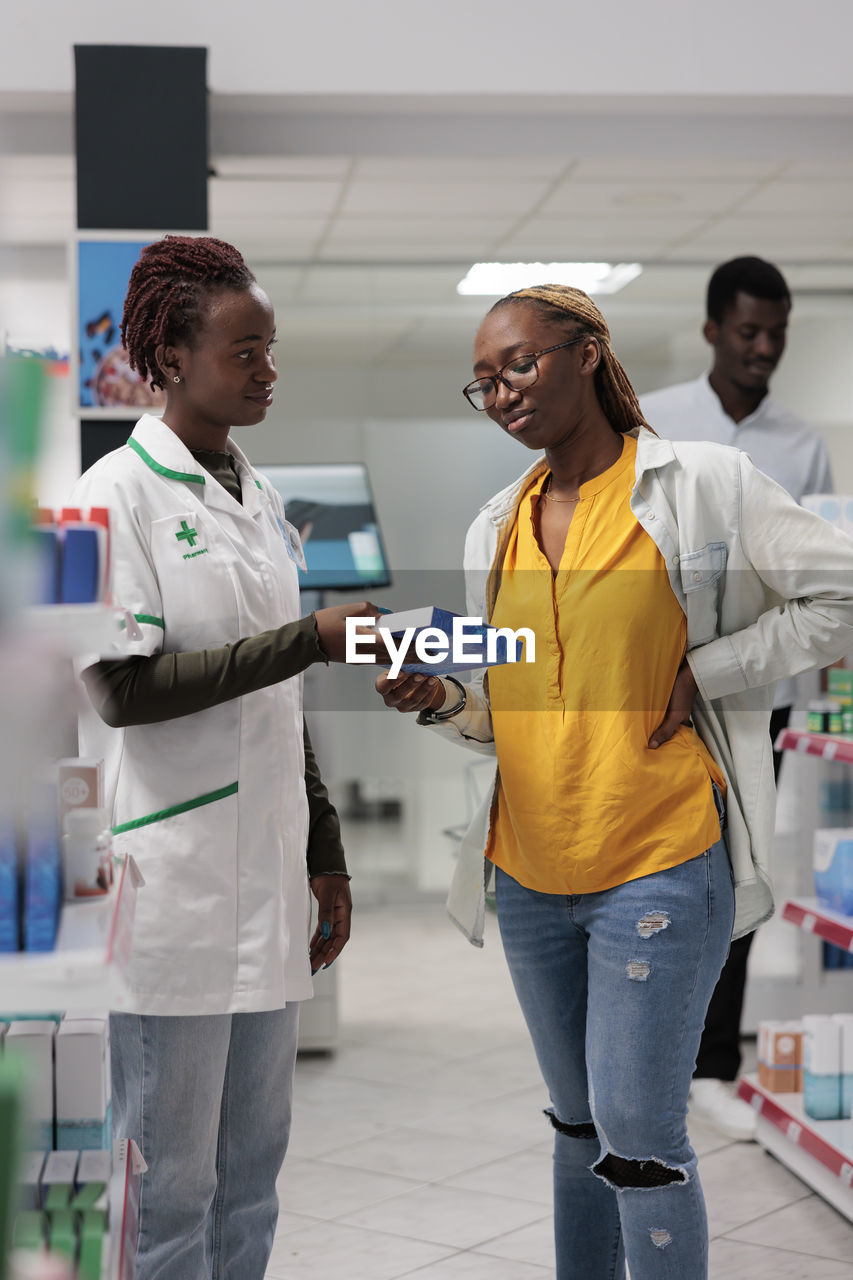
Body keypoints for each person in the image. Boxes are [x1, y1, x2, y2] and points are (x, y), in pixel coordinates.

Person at [375, 283, 853, 1280]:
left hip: (659, 858)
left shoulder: (702, 485)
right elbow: (505, 706)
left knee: (637, 1138)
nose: (502, 392)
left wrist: (709, 669)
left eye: (520, 363)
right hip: (531, 873)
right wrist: (437, 697)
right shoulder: (494, 525)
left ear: (586, 352)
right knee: (575, 1122)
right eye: (484, 382)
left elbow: (839, 588)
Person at [69, 235, 381, 1280]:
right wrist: (313, 634)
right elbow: (124, 690)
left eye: (270, 348)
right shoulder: (113, 495)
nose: (267, 370)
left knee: (253, 1175)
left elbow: (278, 705)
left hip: (267, 881)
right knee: (169, 1190)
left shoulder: (258, 500)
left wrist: (325, 850)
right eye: (243, 350)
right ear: (166, 354)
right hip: (176, 893)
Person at [640, 256, 834, 1141]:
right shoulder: (659, 418)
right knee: (669, 866)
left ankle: (713, 1063)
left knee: (741, 875)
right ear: (713, 329)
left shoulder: (801, 442)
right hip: (666, 683)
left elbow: (817, 574)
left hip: (765, 689)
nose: (763, 348)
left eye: (776, 334)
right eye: (748, 331)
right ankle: (651, 1056)